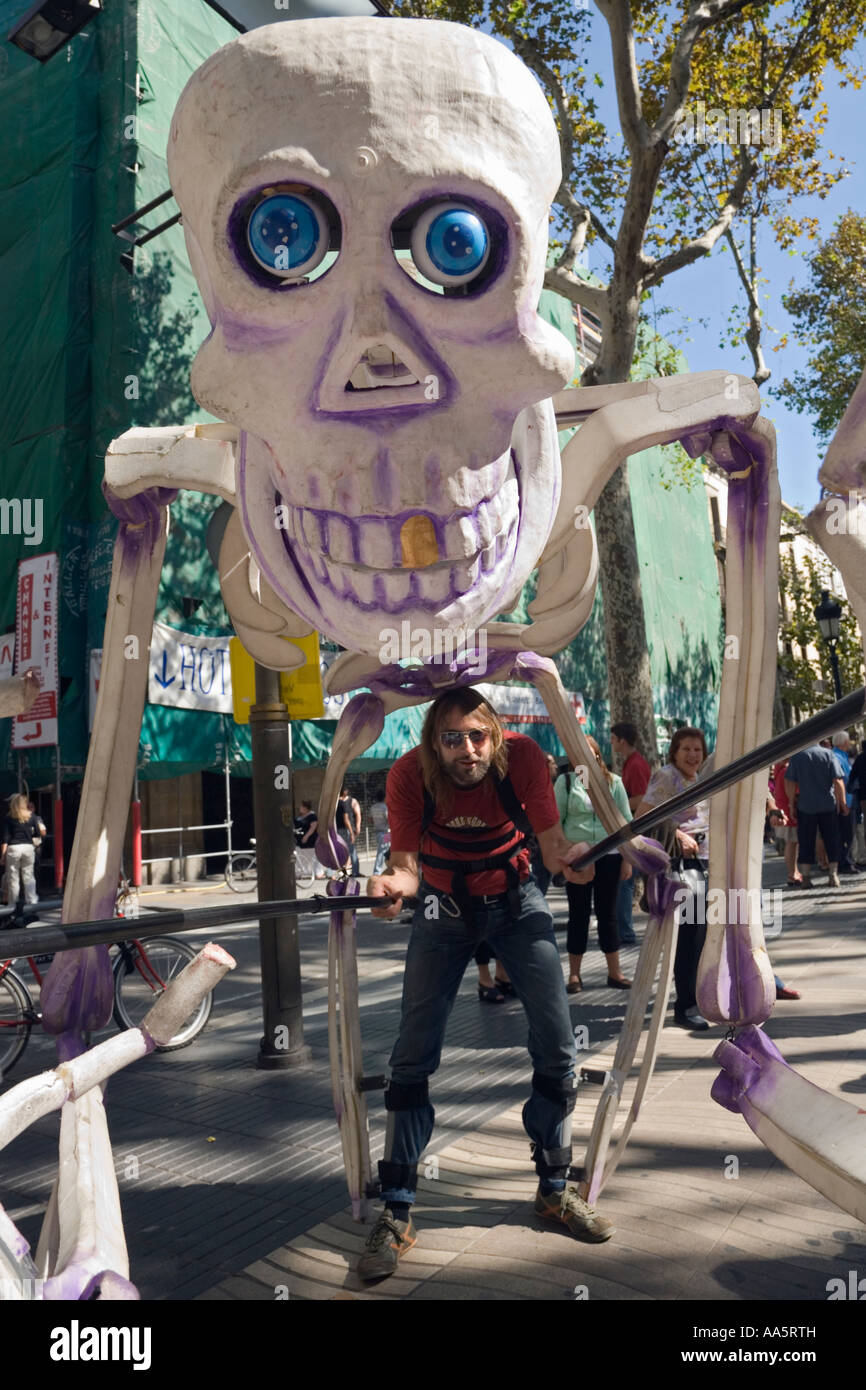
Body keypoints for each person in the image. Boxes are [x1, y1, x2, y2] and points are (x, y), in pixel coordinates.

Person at [360, 687, 614, 1281]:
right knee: (412, 1053)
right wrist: (389, 887)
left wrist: (573, 859)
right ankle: (396, 1211)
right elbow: (404, 867)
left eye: (477, 735)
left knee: (557, 1044)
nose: (467, 749)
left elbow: (551, 847)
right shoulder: (408, 775)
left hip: (517, 897)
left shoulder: (523, 758)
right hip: (441, 906)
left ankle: (554, 1189)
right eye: (452, 738)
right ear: (433, 743)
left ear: (495, 736)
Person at [634, 727, 711, 1031]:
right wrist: (676, 833)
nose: (693, 755)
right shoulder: (667, 777)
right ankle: (686, 1006)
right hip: (681, 868)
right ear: (674, 752)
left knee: (701, 936)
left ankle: (695, 998)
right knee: (689, 938)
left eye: (697, 749)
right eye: (686, 749)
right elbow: (642, 818)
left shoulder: (699, 778)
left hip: (703, 862)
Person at [555, 736, 632, 993]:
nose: (584, 758)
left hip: (609, 856)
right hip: (578, 859)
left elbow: (625, 823)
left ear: (598, 755)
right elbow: (556, 822)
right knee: (578, 915)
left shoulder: (615, 782)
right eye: (578, 753)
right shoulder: (565, 782)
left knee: (608, 913)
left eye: (589, 753)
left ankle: (615, 972)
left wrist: (627, 860)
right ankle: (574, 975)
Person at [610, 722, 651, 945]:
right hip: (634, 827)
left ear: (621, 740)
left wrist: (616, 803)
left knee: (625, 881)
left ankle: (625, 931)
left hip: (636, 828)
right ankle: (623, 930)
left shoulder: (635, 764)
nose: (611, 743)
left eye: (613, 738)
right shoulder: (632, 763)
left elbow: (642, 797)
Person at [784, 743, 846, 889]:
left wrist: (792, 804)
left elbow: (790, 782)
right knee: (832, 839)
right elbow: (838, 781)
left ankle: (806, 877)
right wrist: (842, 803)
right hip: (827, 805)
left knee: (806, 841)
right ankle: (833, 875)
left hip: (806, 806)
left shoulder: (797, 756)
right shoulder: (828, 754)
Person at [1, 793, 45, 910]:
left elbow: (5, 838)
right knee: (29, 875)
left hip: (13, 848)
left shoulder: (8, 818)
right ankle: (32, 901)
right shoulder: (32, 817)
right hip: (28, 847)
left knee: (13, 877)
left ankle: (12, 904)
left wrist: (2, 855)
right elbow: (37, 833)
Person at [831, 733, 860, 875]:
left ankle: (845, 861)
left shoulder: (841, 756)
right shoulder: (837, 757)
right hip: (845, 802)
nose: (850, 743)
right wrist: (843, 803)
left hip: (847, 801)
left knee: (847, 834)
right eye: (848, 740)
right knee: (846, 834)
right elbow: (840, 782)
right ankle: (845, 862)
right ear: (843, 742)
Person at [337, 784, 361, 875]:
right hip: (346, 829)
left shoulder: (336, 803)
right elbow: (346, 819)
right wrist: (352, 831)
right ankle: (352, 872)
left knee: (343, 851)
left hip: (338, 829)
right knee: (351, 850)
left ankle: (344, 873)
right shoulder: (343, 804)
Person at [369, 787, 390, 875]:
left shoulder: (373, 807)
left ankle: (388, 868)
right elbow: (389, 819)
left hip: (377, 831)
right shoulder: (385, 807)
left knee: (385, 850)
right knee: (383, 851)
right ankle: (377, 871)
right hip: (386, 833)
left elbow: (370, 819)